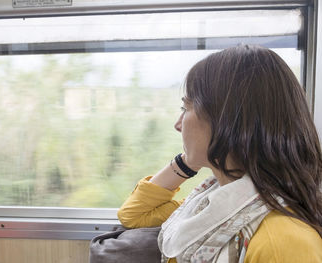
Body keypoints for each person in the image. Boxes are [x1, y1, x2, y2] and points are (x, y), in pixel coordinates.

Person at [117, 45, 322, 263]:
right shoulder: (216, 201)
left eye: (186, 109)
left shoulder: (283, 243)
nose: (178, 125)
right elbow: (134, 215)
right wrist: (189, 160)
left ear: (225, 119)